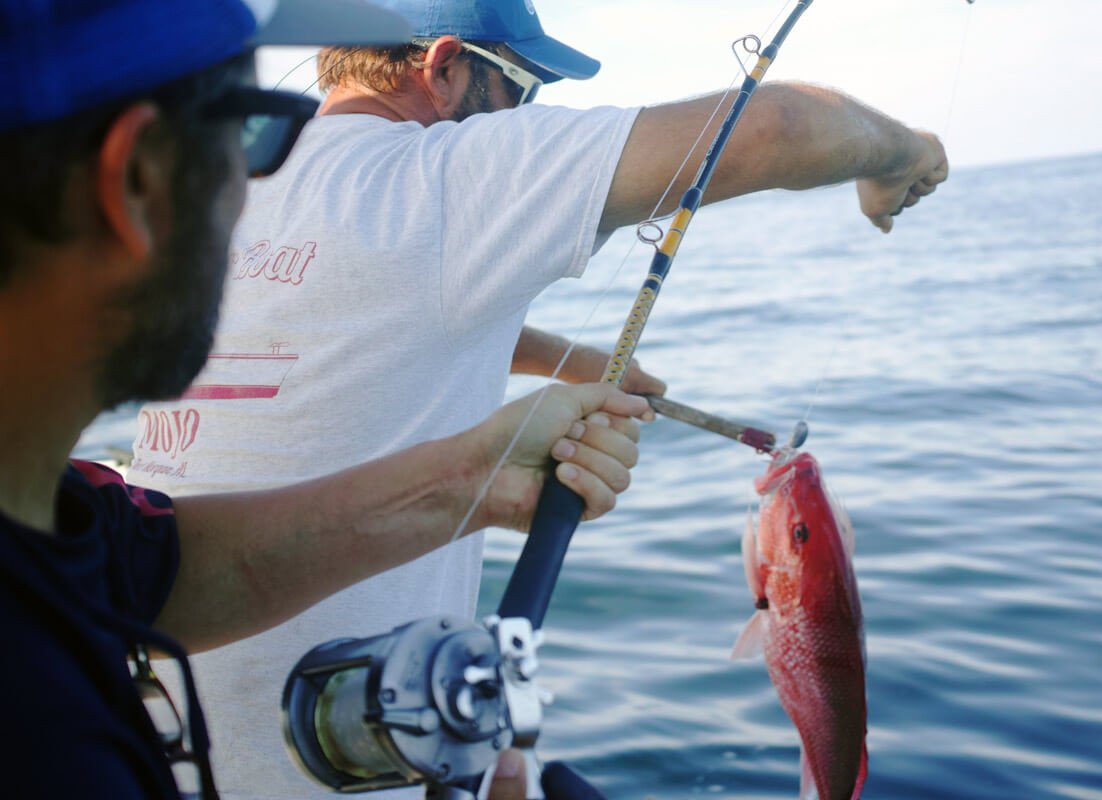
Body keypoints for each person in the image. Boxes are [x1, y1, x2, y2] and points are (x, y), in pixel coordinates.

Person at [130, 1, 950, 797]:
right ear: (446, 67)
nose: (528, 112)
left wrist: (567, 359)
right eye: (522, 88)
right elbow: (778, 128)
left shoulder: (239, 180)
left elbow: (337, 314)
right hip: (342, 751)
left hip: (145, 712)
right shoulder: (443, 173)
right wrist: (901, 157)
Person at [0, 2, 649, 799]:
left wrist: (476, 478)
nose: (258, 191)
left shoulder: (65, 529)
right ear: (137, 179)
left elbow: (174, 570)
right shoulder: (47, 743)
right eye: (253, 132)